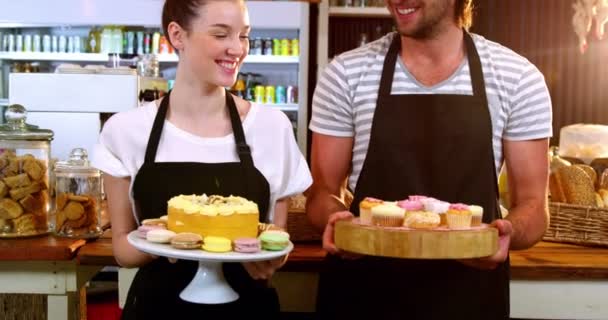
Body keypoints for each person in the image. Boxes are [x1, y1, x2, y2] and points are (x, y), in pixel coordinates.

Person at [306, 0, 552, 319]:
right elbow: (321, 193)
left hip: (468, 295)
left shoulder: (517, 78)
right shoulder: (345, 74)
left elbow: (534, 206)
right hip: (364, 290)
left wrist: (507, 232)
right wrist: (338, 223)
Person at [91, 0, 312, 318]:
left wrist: (269, 258)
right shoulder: (125, 131)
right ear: (177, 35)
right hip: (157, 308)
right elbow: (123, 250)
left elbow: (275, 241)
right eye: (221, 35)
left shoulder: (271, 127)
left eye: (244, 35)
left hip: (247, 308)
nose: (237, 49)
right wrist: (170, 240)